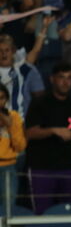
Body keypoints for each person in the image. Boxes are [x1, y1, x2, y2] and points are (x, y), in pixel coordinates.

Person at [24, 62, 71, 215]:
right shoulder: (39, 103)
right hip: (42, 168)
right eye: (61, 78)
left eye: (70, 78)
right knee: (42, 215)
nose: (66, 82)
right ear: (52, 79)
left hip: (69, 169)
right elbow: (29, 133)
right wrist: (53, 130)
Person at [0, 33, 42, 117]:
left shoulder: (20, 69)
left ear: (13, 51)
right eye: (0, 51)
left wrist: (44, 28)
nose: (3, 54)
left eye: (7, 50)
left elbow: (35, 51)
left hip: (18, 121)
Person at [0, 84, 25, 213]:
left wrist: (9, 125)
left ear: (6, 100)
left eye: (2, 98)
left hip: (8, 168)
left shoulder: (14, 117)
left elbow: (20, 146)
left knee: (8, 210)